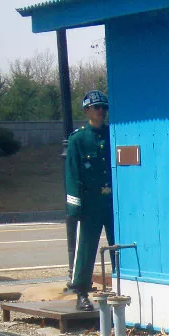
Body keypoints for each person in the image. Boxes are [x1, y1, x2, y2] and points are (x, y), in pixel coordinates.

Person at [65, 89, 115, 311]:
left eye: (104, 107)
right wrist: (74, 206)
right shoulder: (78, 139)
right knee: (86, 248)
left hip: (112, 201)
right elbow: (73, 174)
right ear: (87, 110)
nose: (101, 111)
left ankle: (123, 287)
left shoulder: (112, 133)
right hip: (90, 203)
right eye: (97, 107)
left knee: (117, 246)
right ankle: (81, 292)